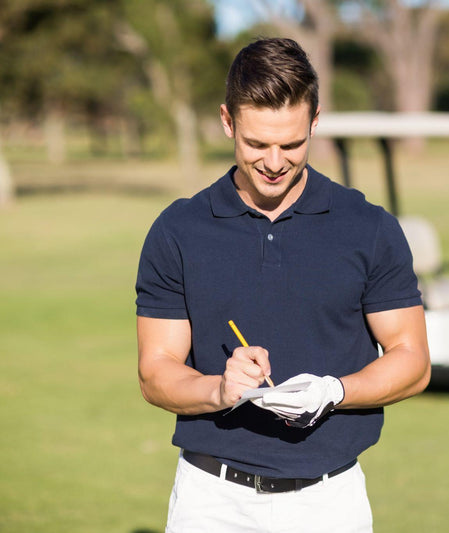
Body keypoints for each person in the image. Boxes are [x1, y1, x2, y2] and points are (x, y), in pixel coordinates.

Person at [135, 37, 430, 533]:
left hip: (329, 503)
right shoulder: (178, 230)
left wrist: (334, 391)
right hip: (211, 502)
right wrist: (220, 389)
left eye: (291, 145)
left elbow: (413, 361)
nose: (274, 162)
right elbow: (155, 372)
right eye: (257, 144)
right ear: (227, 121)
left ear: (315, 122)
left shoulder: (369, 227)